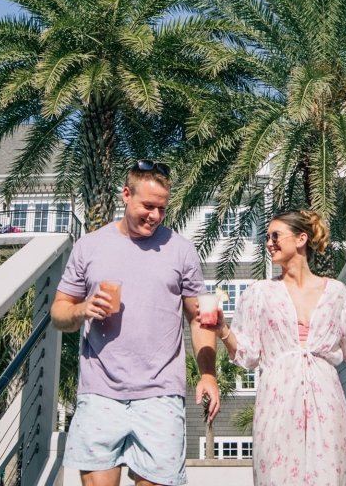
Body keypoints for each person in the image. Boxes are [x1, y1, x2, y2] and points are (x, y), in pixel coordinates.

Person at [208, 210, 346, 485]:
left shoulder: (337, 293)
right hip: (277, 402)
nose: (268, 243)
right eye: (267, 237)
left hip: (326, 401)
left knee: (328, 474)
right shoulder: (259, 293)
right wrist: (223, 330)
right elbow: (250, 354)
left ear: (301, 239)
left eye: (275, 235)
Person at [51, 161, 220, 486]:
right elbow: (59, 313)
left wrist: (208, 374)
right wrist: (83, 309)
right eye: (147, 206)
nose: (155, 216)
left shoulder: (181, 251)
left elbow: (199, 318)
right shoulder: (90, 246)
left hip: (160, 395)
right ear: (126, 195)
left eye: (162, 208)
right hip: (100, 393)